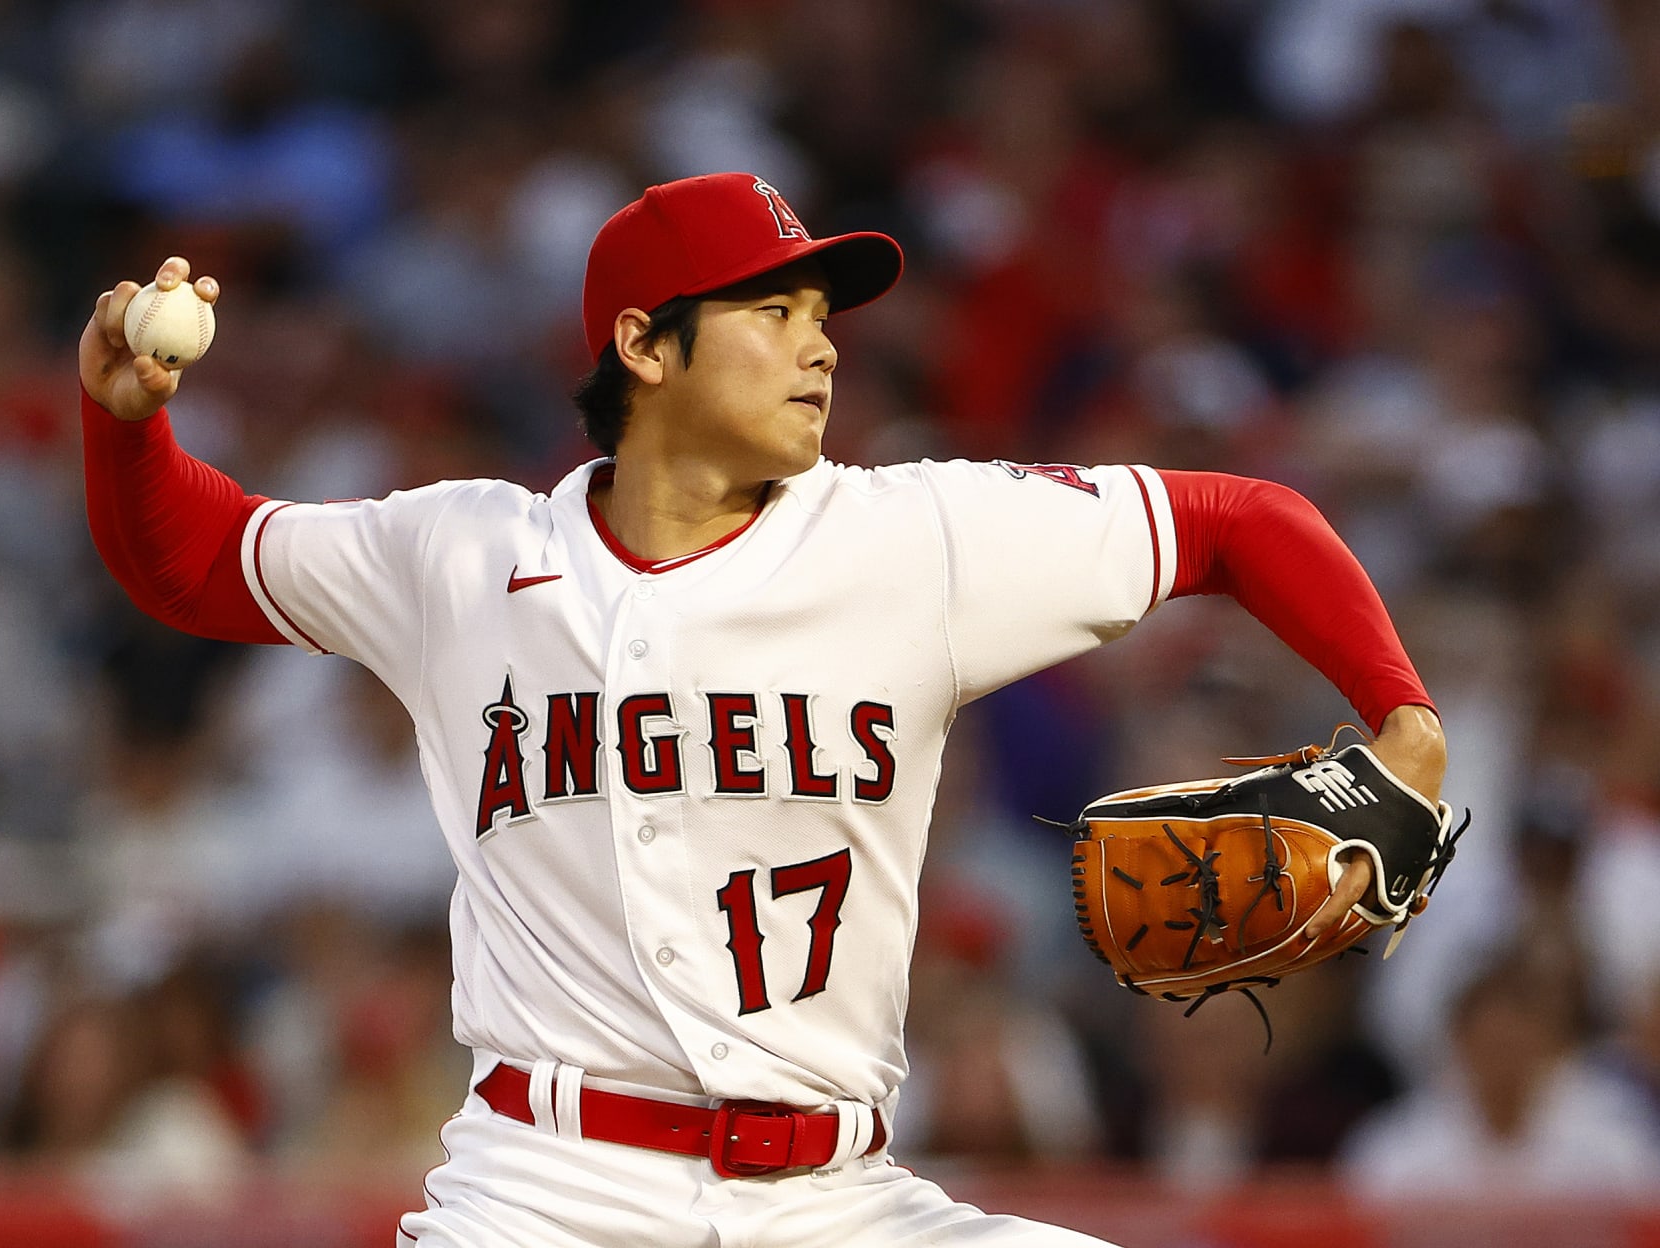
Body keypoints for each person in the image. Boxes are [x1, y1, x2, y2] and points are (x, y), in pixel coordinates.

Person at [78, 172, 1447, 1246]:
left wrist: (1403, 715)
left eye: (823, 318)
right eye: (772, 314)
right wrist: (128, 426)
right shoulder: (459, 557)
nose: (821, 350)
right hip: (553, 1191)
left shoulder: (916, 537)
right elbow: (193, 558)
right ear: (645, 346)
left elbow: (1239, 521)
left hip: (837, 1197)